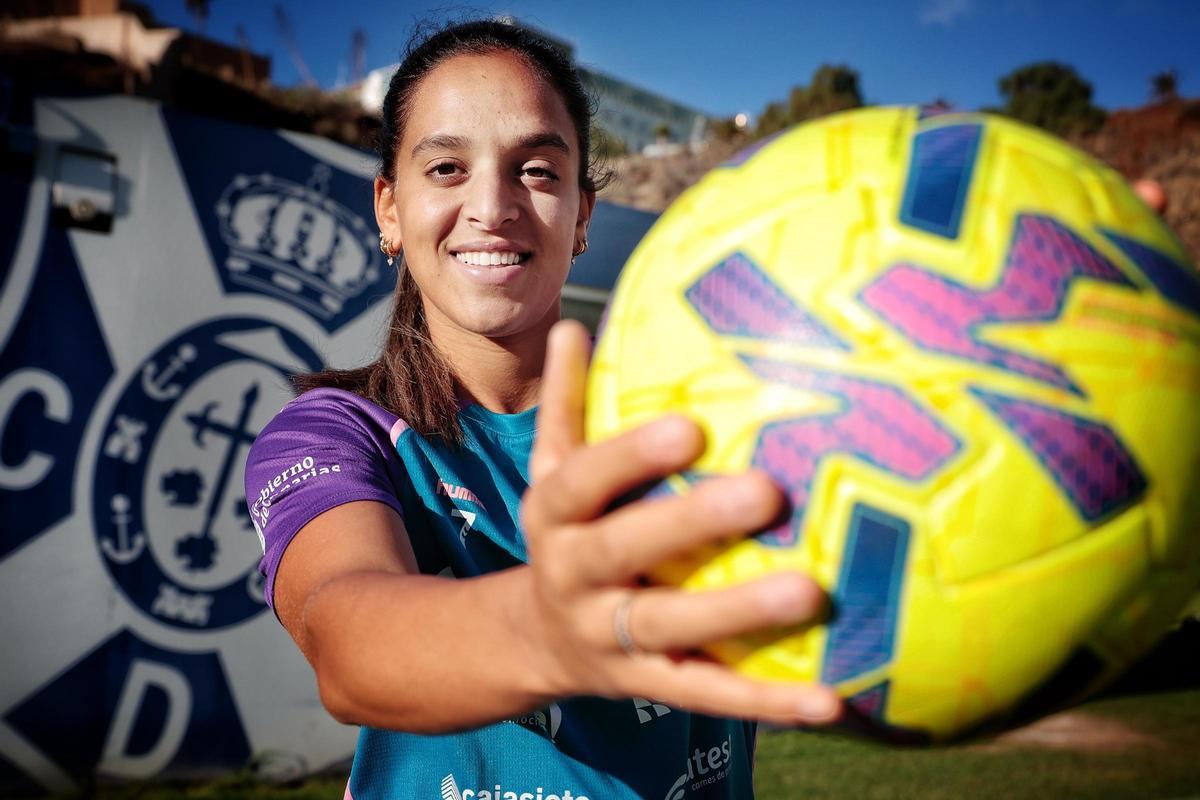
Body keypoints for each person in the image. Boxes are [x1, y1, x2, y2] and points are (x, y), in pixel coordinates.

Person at [243, 18, 840, 800]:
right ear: (390, 208)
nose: (492, 205)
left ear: (583, 214)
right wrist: (544, 632)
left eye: (536, 170)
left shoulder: (703, 415)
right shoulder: (334, 432)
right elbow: (343, 636)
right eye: (448, 167)